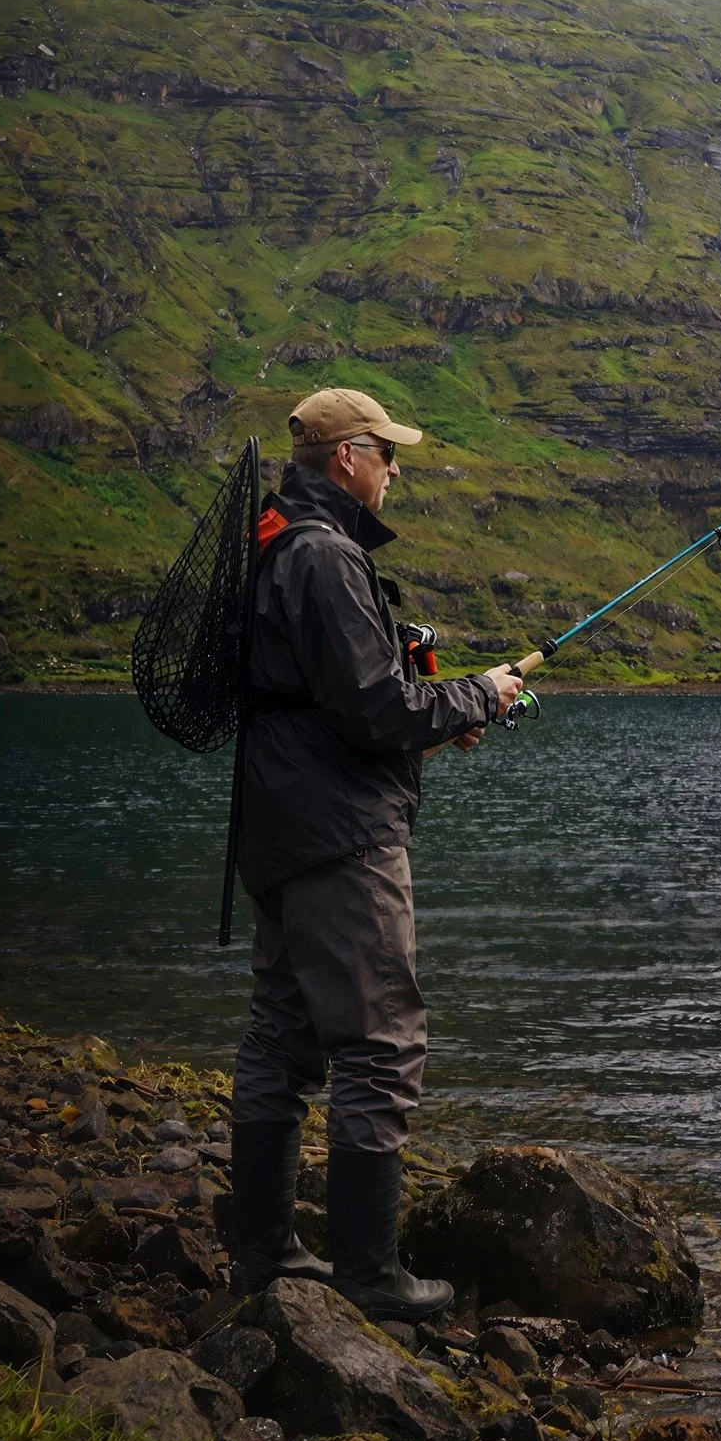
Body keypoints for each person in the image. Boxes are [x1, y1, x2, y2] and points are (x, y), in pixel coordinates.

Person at [227, 387, 524, 1321]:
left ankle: (265, 1255)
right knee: (379, 1043)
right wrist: (479, 695)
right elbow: (376, 709)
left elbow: (333, 707)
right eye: (387, 453)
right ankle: (369, 1276)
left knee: (282, 1035)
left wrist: (438, 721)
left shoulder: (280, 540)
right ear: (348, 455)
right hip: (341, 839)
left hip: (281, 826)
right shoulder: (323, 554)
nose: (397, 469)